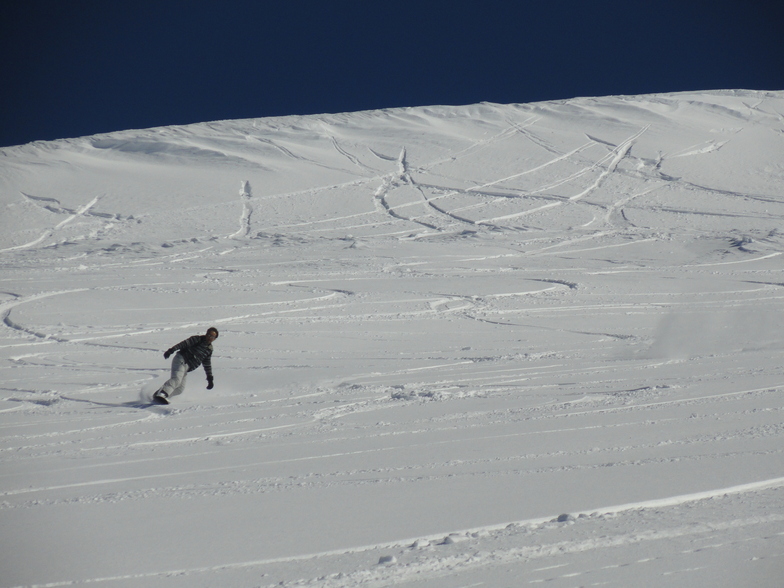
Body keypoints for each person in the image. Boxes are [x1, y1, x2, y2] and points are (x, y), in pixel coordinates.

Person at [153, 327, 218, 403]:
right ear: (206, 334)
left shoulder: (209, 349)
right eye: (209, 335)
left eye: (213, 337)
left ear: (215, 339)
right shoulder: (197, 339)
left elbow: (207, 364)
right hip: (181, 359)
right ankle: (163, 393)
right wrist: (171, 350)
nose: (210, 338)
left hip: (186, 367)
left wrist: (210, 378)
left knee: (180, 389)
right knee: (177, 379)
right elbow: (183, 344)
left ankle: (160, 396)